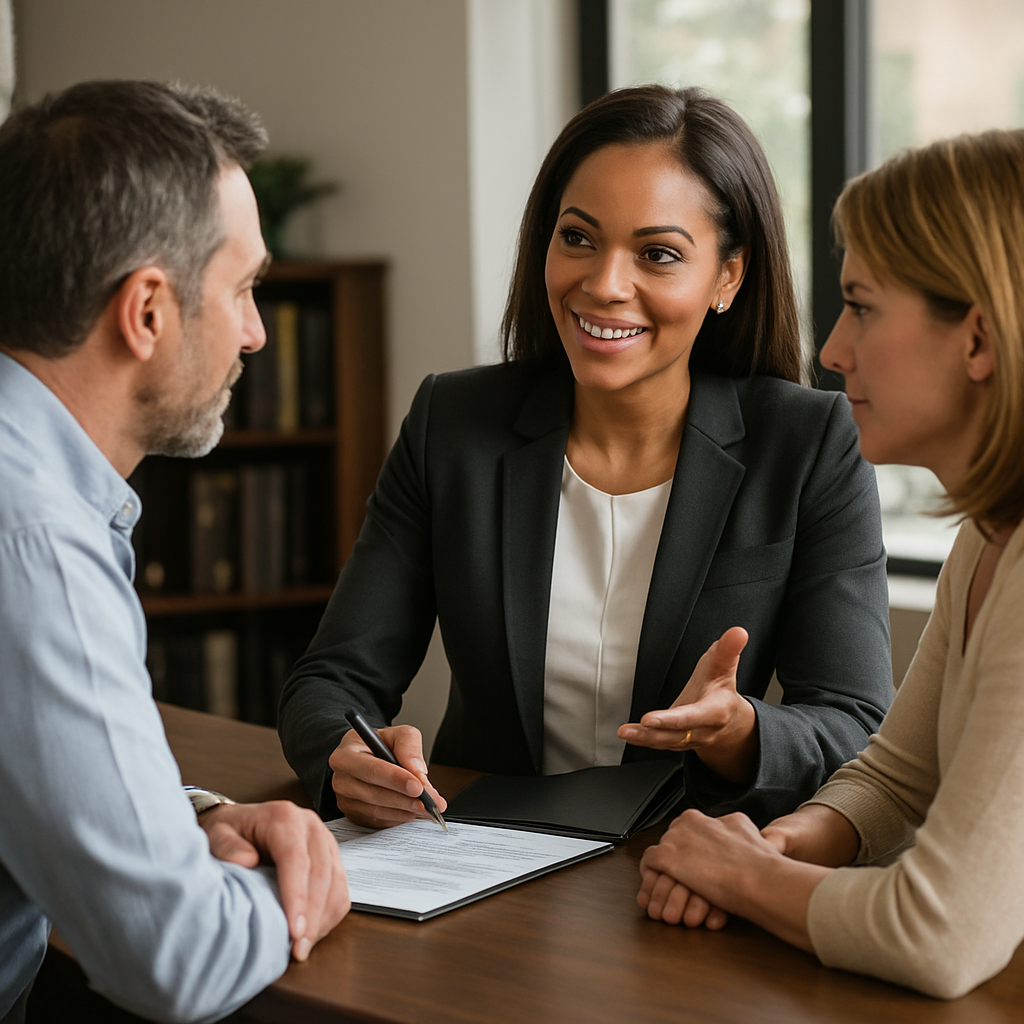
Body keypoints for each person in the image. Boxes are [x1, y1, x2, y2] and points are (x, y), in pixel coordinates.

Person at [278, 85, 891, 831]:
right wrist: (348, 754)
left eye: (658, 254)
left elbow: (854, 724)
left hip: (680, 876)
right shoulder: (454, 423)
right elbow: (332, 677)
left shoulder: (809, 443)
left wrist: (743, 732)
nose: (603, 285)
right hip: (479, 864)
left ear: (727, 277)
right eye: (578, 238)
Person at [637, 128, 1024, 1000]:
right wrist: (781, 845)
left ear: (978, 340)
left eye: (862, 305)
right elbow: (898, 775)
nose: (832, 351)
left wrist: (737, 875)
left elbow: (939, 933)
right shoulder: (991, 535)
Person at [0, 80, 349, 1024]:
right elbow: (179, 958)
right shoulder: (33, 540)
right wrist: (303, 892)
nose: (257, 333)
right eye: (240, 290)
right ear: (146, 310)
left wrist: (191, 819)